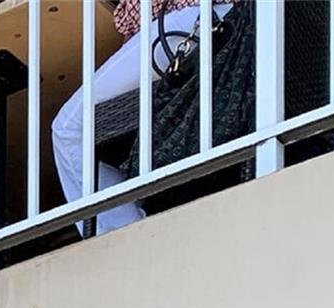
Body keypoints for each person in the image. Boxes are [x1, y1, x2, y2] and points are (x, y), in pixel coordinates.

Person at [51, 0, 236, 236]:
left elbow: (143, 13)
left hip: (204, 19)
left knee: (70, 129)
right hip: (211, 21)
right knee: (84, 134)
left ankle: (127, 238)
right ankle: (130, 234)